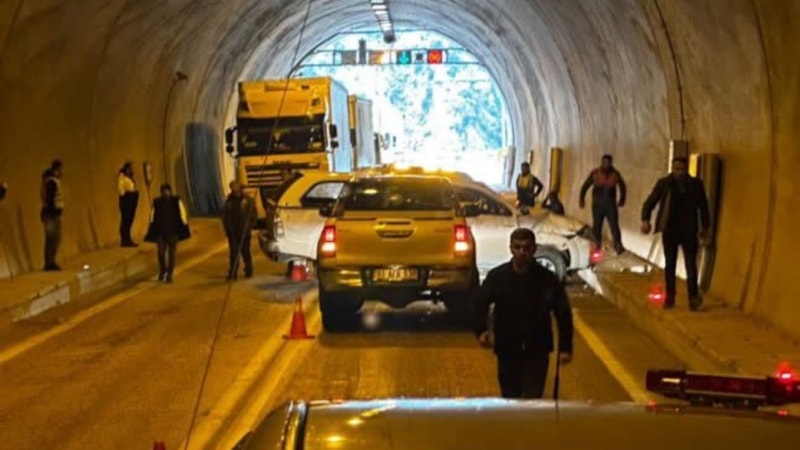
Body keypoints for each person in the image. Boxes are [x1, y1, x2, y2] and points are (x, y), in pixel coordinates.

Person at [474, 228, 574, 399]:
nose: (522, 252)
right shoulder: (498, 277)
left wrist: (565, 348)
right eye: (517, 247)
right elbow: (480, 304)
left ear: (534, 249)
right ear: (510, 249)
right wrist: (481, 331)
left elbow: (562, 313)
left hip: (537, 348)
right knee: (509, 398)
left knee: (532, 400)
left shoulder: (547, 279)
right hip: (507, 348)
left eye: (526, 248)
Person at [641, 157, 711, 311]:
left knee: (690, 264)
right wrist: (645, 219)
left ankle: (693, 297)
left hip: (689, 229)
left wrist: (705, 227)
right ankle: (670, 297)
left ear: (686, 170)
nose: (679, 172)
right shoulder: (664, 184)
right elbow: (651, 201)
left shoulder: (695, 185)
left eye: (681, 169)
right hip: (670, 229)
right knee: (670, 265)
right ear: (672, 169)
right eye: (676, 169)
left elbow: (703, 206)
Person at [579, 154, 627, 254]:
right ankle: (597, 244)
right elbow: (585, 186)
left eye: (608, 162)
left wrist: (622, 199)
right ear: (601, 162)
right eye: (604, 162)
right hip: (597, 204)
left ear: (611, 163)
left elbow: (622, 186)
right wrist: (581, 199)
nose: (606, 164)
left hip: (610, 204)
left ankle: (617, 245)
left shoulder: (615, 174)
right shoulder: (595, 173)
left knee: (614, 225)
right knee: (597, 225)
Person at [144, 183, 190, 283]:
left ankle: (169, 273)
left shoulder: (176, 201)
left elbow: (183, 214)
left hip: (173, 232)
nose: (165, 193)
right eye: (163, 191)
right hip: (161, 232)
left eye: (167, 190)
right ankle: (162, 270)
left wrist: (184, 227)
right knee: (160, 253)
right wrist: (152, 228)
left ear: (170, 191)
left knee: (172, 254)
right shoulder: (157, 202)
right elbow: (152, 216)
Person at [222, 180, 257, 280]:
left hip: (244, 231)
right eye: (232, 187)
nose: (233, 189)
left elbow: (253, 215)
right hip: (233, 232)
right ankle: (233, 272)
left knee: (245, 252)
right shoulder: (229, 201)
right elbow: (225, 216)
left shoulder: (248, 201)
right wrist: (227, 229)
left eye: (235, 187)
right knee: (233, 253)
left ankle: (249, 269)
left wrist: (249, 226)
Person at [40, 160, 64, 271]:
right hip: (51, 215)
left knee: (53, 238)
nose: (62, 172)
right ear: (56, 169)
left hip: (51, 214)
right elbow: (50, 199)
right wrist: (53, 212)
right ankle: (49, 263)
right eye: (60, 169)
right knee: (53, 238)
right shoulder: (51, 182)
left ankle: (50, 261)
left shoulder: (51, 181)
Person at [118, 162, 140, 247]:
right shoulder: (122, 178)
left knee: (129, 220)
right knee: (125, 220)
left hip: (131, 199)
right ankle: (125, 240)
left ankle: (128, 239)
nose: (132, 170)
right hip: (126, 200)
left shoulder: (129, 178)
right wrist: (126, 195)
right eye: (131, 168)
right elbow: (120, 190)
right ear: (127, 169)